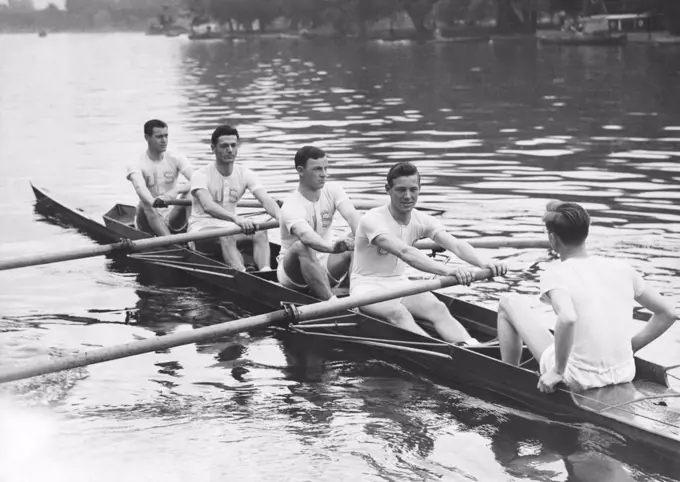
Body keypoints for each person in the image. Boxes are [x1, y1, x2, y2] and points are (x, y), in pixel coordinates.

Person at [497, 201, 678, 393]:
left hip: (578, 378)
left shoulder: (555, 274)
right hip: (625, 372)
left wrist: (557, 371)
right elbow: (668, 313)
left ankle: (508, 381)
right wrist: (630, 348)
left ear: (553, 238)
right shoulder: (622, 268)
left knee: (508, 302)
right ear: (586, 233)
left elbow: (567, 318)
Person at [350, 162, 507, 345]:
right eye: (401, 190)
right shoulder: (372, 220)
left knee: (438, 308)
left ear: (419, 189)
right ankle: (441, 353)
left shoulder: (421, 219)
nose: (408, 196)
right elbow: (405, 252)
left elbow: (455, 245)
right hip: (367, 287)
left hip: (398, 283)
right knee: (399, 313)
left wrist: (483, 263)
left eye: (413, 190)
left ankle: (473, 347)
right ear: (388, 189)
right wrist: (448, 271)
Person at [189, 124, 280, 271]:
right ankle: (243, 274)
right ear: (213, 148)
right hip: (201, 230)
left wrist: (283, 218)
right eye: (224, 146)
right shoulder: (200, 175)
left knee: (261, 232)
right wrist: (236, 219)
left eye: (233, 145)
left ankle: (265, 272)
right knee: (227, 235)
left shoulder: (245, 174)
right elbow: (208, 206)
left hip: (229, 227)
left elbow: (266, 201)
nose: (230, 150)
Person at [277, 146, 361, 300]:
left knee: (357, 235)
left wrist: (369, 237)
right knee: (301, 245)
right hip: (293, 276)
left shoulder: (333, 190)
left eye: (326, 168)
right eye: (317, 169)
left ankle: (358, 297)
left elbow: (352, 216)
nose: (324, 174)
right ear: (301, 170)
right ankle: (333, 304)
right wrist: (331, 248)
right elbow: (306, 236)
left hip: (325, 263)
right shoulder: (291, 205)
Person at [126, 119, 194, 236]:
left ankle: (193, 238)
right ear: (147, 137)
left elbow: (197, 180)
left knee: (191, 193)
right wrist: (153, 201)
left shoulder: (176, 157)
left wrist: (175, 191)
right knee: (145, 202)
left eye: (166, 136)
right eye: (159, 137)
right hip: (147, 221)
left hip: (172, 218)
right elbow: (140, 187)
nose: (164, 141)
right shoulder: (136, 163)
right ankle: (171, 242)